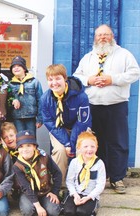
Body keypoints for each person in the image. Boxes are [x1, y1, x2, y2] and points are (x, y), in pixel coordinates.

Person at [73, 24, 140, 194]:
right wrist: (90, 80)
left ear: (112, 36)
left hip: (116, 106)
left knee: (118, 142)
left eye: (106, 35)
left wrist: (113, 79)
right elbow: (76, 77)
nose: (102, 38)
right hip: (94, 106)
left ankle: (117, 178)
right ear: (95, 38)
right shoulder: (88, 57)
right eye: (99, 35)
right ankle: (98, 177)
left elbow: (135, 73)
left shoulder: (124, 55)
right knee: (96, 143)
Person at [40, 64, 91, 185]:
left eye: (58, 78)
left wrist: (72, 144)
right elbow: (49, 122)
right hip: (59, 129)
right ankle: (58, 185)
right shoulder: (45, 99)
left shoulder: (81, 96)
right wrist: (66, 143)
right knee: (59, 150)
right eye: (50, 80)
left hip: (80, 128)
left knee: (82, 150)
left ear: (65, 79)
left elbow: (83, 121)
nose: (54, 83)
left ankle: (82, 185)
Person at [13, 130, 62, 216]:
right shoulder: (17, 166)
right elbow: (25, 187)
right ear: (17, 149)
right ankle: (37, 205)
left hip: (45, 191)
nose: (25, 149)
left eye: (28, 145)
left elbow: (57, 173)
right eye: (21, 146)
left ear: (34, 147)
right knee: (27, 211)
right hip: (28, 193)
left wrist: (54, 192)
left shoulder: (44, 157)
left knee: (53, 211)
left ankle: (46, 204)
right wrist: (38, 206)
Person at [63, 131, 106, 216]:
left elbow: (100, 184)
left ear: (96, 148)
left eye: (92, 146)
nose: (89, 149)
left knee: (82, 212)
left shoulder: (99, 163)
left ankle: (95, 205)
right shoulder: (75, 162)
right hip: (76, 193)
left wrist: (89, 197)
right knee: (68, 212)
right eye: (85, 146)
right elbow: (69, 181)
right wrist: (75, 195)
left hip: (90, 195)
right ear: (79, 148)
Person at [9, 56, 43, 135]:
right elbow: (8, 99)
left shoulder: (34, 82)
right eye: (14, 67)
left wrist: (40, 118)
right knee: (20, 139)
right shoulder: (10, 84)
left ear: (24, 68)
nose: (16, 68)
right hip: (17, 117)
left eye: (19, 66)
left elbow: (40, 100)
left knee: (31, 139)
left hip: (31, 117)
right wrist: (13, 100)